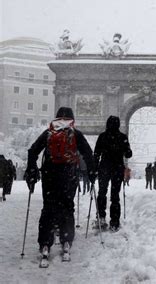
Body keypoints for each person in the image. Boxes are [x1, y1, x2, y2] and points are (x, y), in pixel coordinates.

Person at [25, 107, 95, 261]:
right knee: (67, 206)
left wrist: (32, 168)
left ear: (57, 118)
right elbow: (88, 154)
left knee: (48, 207)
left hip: (50, 174)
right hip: (69, 175)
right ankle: (66, 240)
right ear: (71, 118)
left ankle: (45, 242)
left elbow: (32, 151)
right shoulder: (75, 133)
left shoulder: (49, 133)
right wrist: (91, 172)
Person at [94, 116, 133, 231]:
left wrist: (94, 168)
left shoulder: (102, 136)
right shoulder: (122, 137)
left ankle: (101, 216)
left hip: (104, 168)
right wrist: (126, 149)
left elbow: (96, 154)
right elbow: (128, 154)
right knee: (115, 196)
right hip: (117, 169)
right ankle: (114, 221)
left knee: (102, 193)